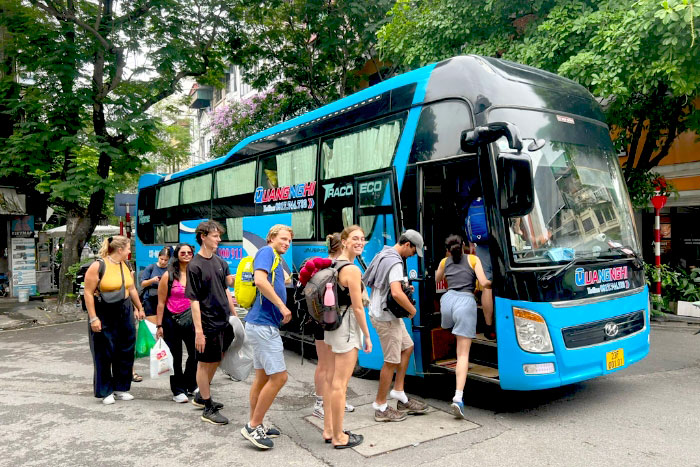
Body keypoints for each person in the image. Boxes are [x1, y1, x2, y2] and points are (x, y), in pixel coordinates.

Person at [363, 230, 429, 422]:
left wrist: (404, 287)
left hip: (386, 313)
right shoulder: (395, 262)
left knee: (407, 347)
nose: (413, 255)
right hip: (385, 317)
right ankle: (380, 406)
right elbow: (396, 293)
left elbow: (391, 287)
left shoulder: (384, 253)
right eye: (414, 251)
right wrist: (412, 311)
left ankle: (399, 392)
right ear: (407, 244)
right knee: (391, 361)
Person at [240, 224, 293, 450]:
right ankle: (253, 425)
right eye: (282, 239)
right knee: (280, 378)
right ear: (271, 238)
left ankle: (256, 422)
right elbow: (260, 281)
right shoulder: (265, 252)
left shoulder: (274, 258)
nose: (286, 244)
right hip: (263, 326)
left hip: (260, 324)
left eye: (289, 241)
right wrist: (282, 306)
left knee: (262, 378)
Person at [322, 225, 372, 449]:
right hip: (348, 325)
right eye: (354, 238)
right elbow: (358, 307)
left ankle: (329, 429)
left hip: (332, 325)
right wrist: (367, 337)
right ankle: (339, 436)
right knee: (340, 385)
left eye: (362, 239)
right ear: (344, 241)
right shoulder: (351, 269)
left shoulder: (333, 262)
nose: (360, 242)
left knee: (332, 381)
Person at [186, 220, 237, 425]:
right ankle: (207, 407)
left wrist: (234, 317)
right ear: (203, 237)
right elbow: (194, 299)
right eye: (215, 236)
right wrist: (199, 331)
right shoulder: (194, 265)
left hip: (223, 320)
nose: (219, 239)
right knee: (204, 363)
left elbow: (226, 290)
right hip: (206, 323)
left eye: (218, 235)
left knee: (217, 358)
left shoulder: (220, 262)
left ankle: (201, 395)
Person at [435, 235, 491, 418]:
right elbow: (484, 283)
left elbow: (436, 279)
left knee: (454, 332)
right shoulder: (473, 259)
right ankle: (458, 398)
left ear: (448, 249)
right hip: (465, 303)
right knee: (463, 354)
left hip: (447, 303)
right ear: (466, 246)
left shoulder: (444, 262)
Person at [85, 236, 146, 405]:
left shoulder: (125, 265)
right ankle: (105, 391)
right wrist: (93, 318)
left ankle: (121, 387)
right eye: (128, 248)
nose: (129, 251)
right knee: (104, 352)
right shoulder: (98, 266)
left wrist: (139, 308)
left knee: (125, 349)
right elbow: (88, 293)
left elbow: (131, 288)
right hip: (104, 310)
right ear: (120, 250)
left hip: (124, 309)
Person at [310, 233, 355, 419]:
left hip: (323, 319)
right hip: (326, 320)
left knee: (331, 364)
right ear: (342, 246)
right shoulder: (332, 267)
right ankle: (320, 403)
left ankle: (334, 400)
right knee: (325, 364)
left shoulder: (325, 265)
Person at [155, 243, 197, 403]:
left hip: (192, 320)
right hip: (171, 320)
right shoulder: (169, 275)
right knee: (175, 357)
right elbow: (161, 302)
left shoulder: (196, 274)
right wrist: (159, 325)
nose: (186, 255)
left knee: (196, 354)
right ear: (177, 255)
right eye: (183, 252)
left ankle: (190, 383)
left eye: (189, 252)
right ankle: (178, 390)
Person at [140, 248, 171, 324]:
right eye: (161, 259)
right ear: (158, 257)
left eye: (166, 260)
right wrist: (152, 280)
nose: (163, 262)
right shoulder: (151, 267)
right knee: (152, 325)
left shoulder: (170, 269)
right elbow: (142, 283)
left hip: (165, 299)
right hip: (151, 299)